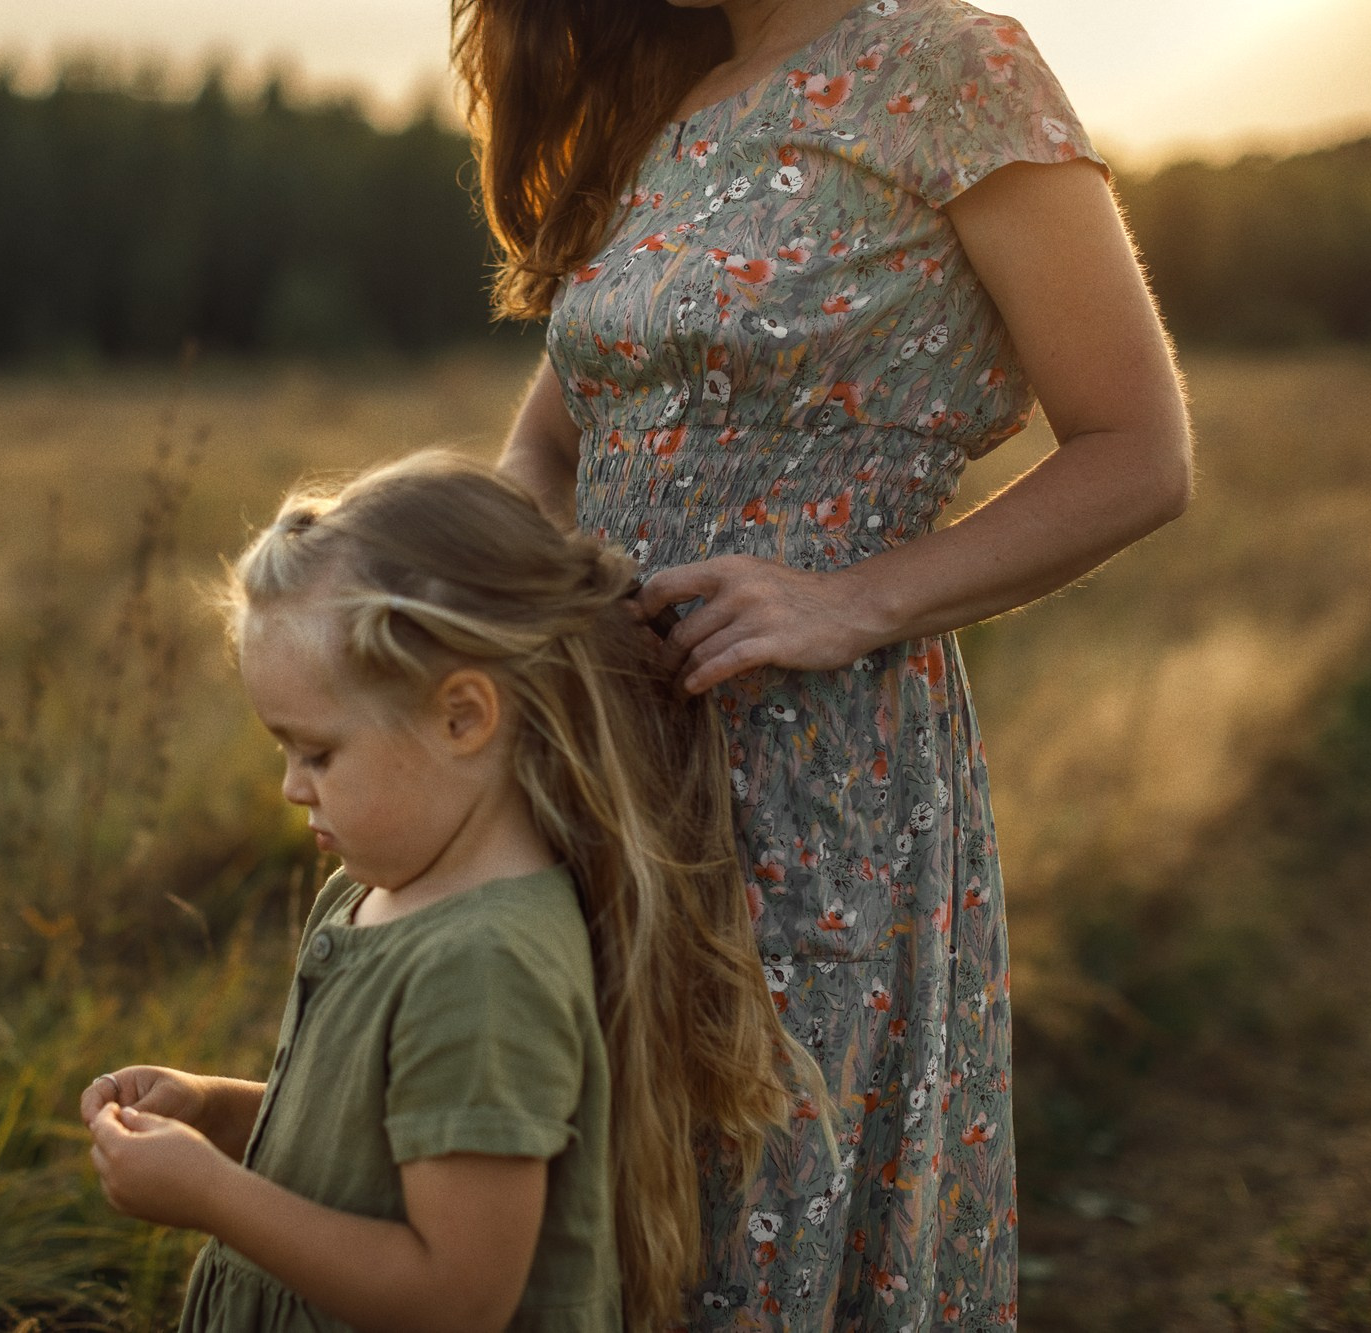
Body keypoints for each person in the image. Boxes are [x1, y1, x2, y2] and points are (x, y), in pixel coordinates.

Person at [457, 0, 1194, 1325]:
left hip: (814, 791)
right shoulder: (669, 99)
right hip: (600, 768)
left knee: (753, 1221)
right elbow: (546, 452)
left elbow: (1137, 450)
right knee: (585, 1206)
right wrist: (469, 600)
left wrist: (850, 602)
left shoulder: (950, 66)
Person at [82, 452, 826, 1332]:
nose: (290, 785)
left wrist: (214, 1197)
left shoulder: (487, 969)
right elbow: (370, 1150)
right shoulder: (365, 895)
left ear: (463, 716)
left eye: (317, 752)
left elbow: (456, 1295)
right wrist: (214, 1110)